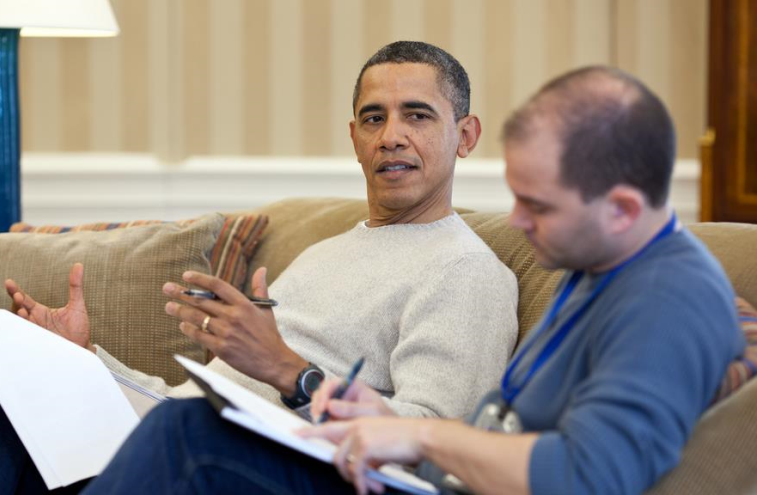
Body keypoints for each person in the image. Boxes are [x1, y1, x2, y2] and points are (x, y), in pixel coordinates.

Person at [0, 41, 519, 494]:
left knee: (184, 426)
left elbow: (435, 452)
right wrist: (85, 360)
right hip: (184, 438)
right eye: (374, 118)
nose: (391, 135)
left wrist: (290, 372)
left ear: (465, 136)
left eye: (417, 115)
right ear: (354, 137)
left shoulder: (466, 272)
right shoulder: (327, 251)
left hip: (275, 470)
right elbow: (185, 399)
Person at [79, 66, 746, 495]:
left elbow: (592, 475)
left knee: (186, 436)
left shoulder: (667, 298)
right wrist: (368, 413)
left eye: (537, 206)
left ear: (623, 209)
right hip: (410, 474)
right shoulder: (604, 268)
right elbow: (502, 425)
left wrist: (422, 435)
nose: (515, 222)